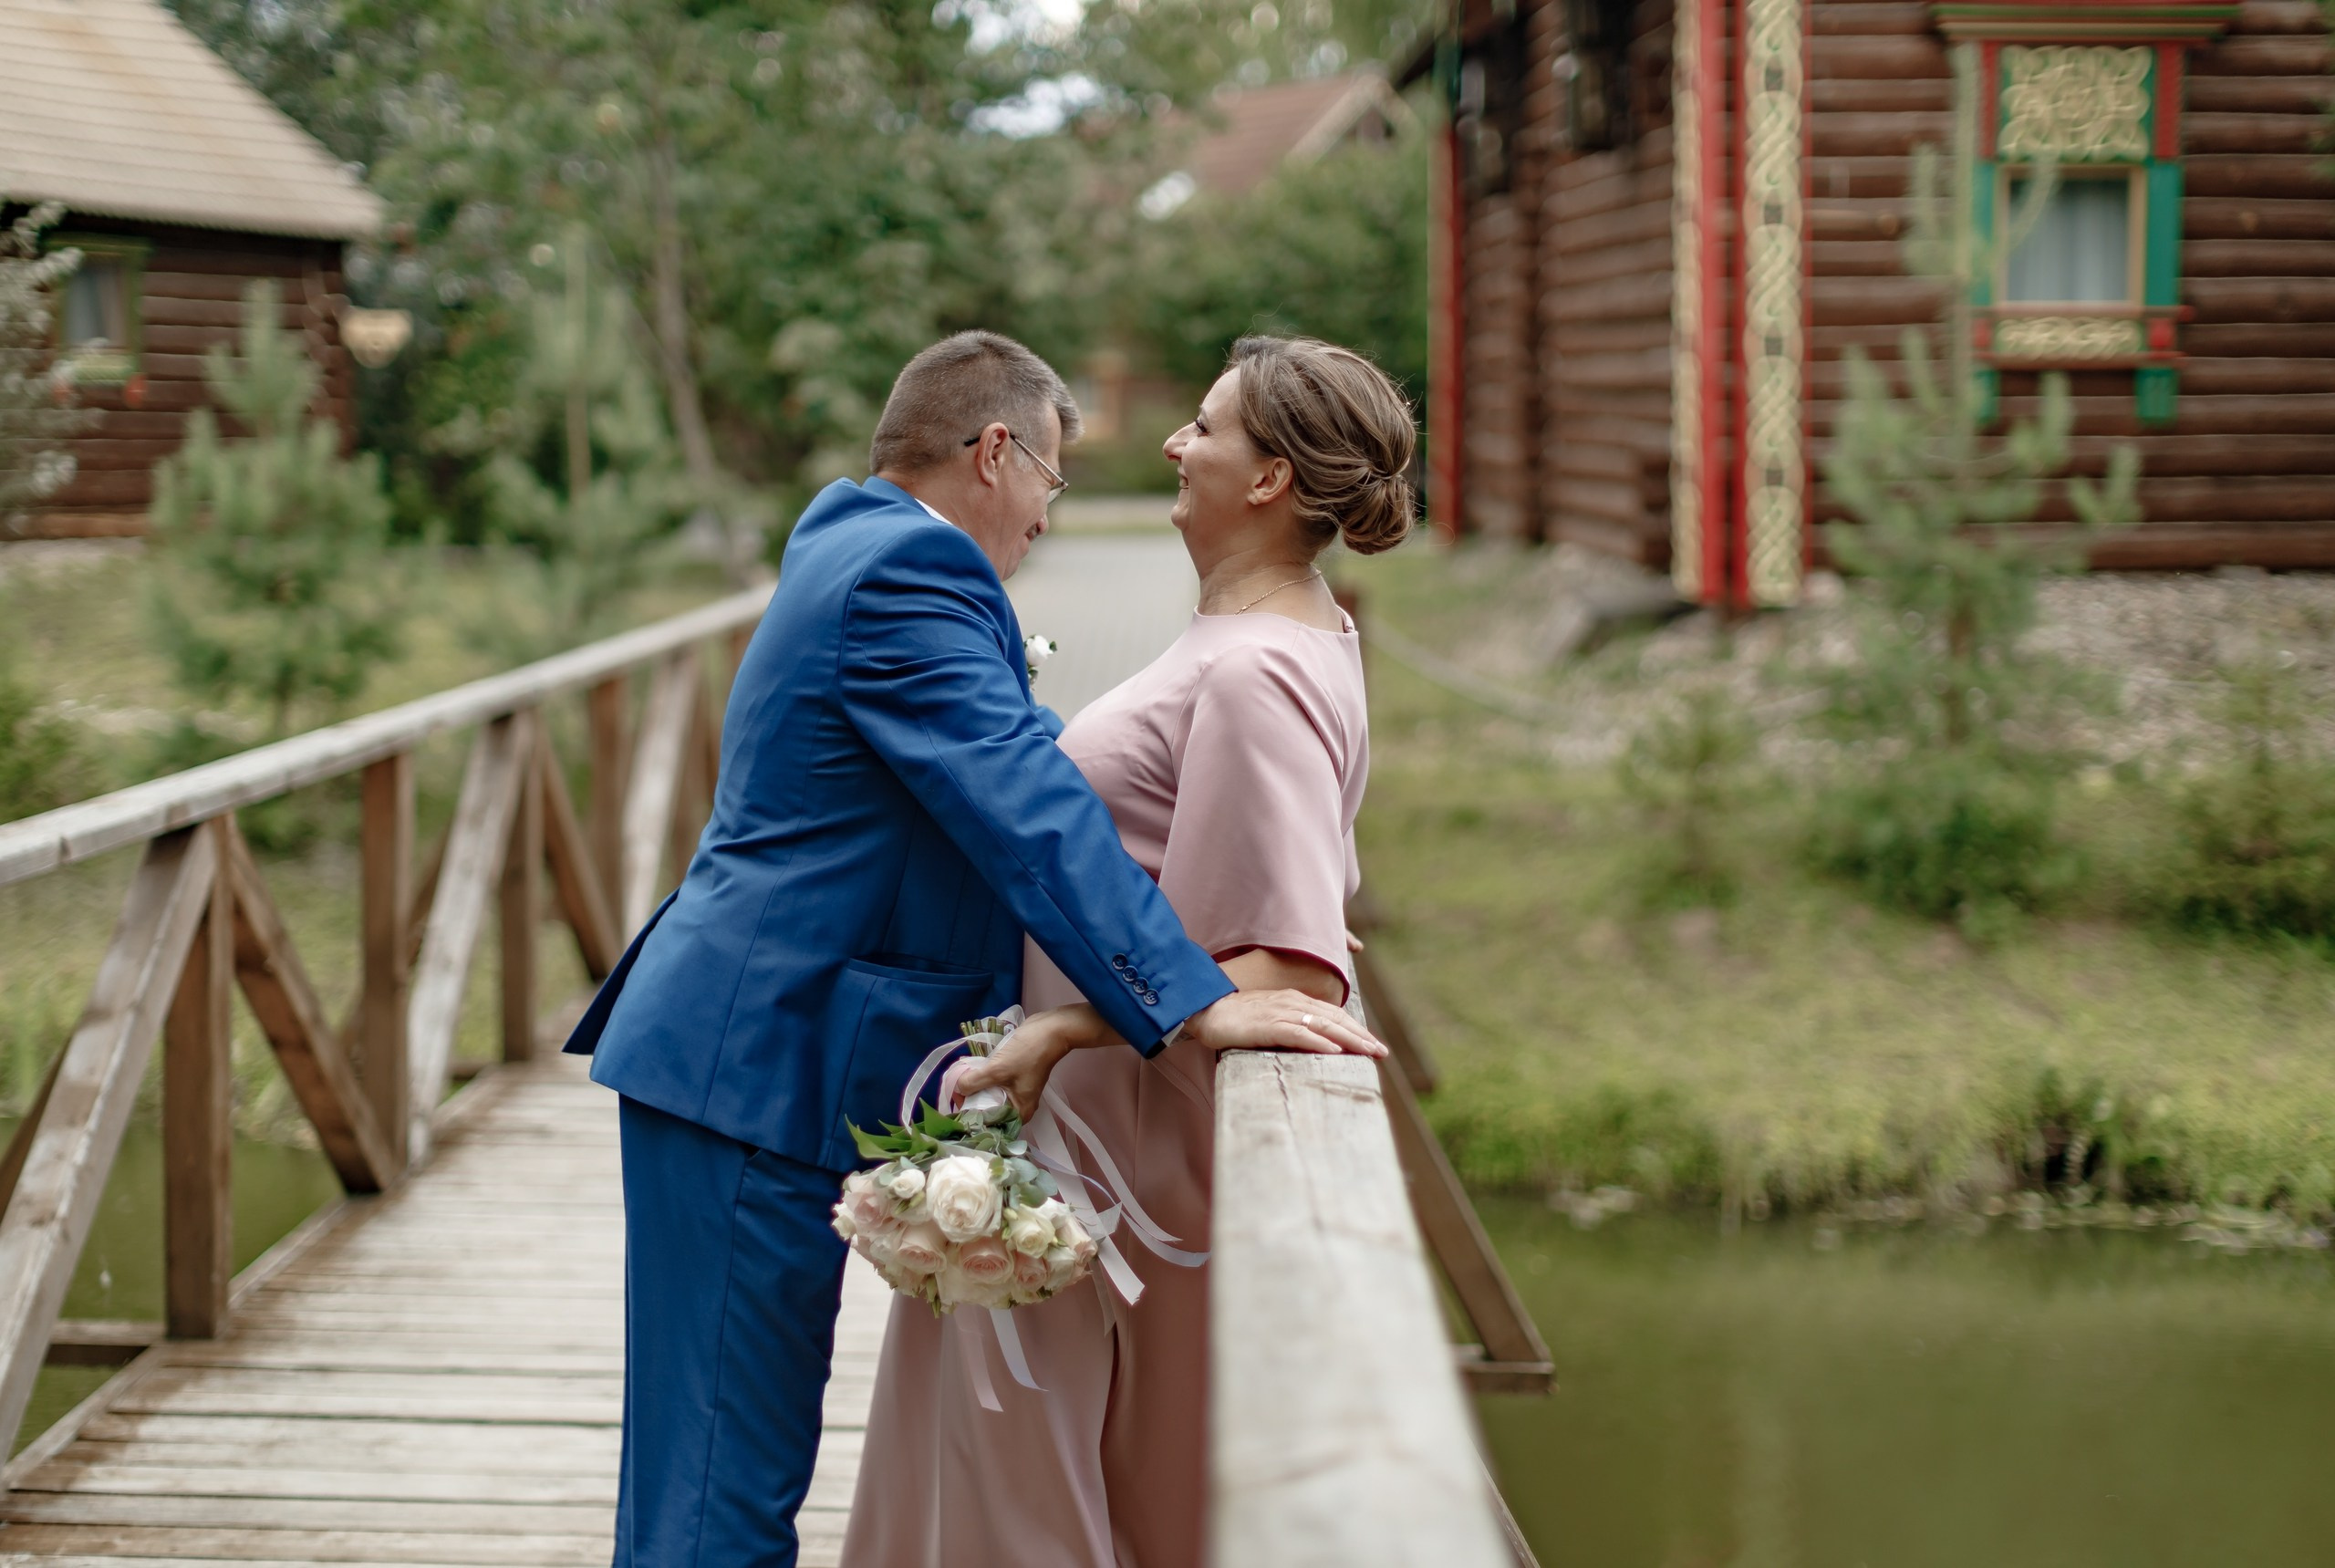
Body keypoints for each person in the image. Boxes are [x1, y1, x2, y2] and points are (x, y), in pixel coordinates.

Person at [562, 330, 1385, 1568]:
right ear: (994, 453)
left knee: (717, 1475)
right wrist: (1189, 1001)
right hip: (757, 1058)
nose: (1050, 519)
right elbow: (1023, 804)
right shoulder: (911, 574)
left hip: (767, 1053)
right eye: (1051, 481)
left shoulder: (852, 538)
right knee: (718, 1493)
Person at [842, 335, 1417, 1568]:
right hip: (1093, 1129)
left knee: (1042, 1484)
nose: (1175, 443)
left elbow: (1281, 971)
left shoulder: (1260, 671)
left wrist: (1062, 1026)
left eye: (1205, 427)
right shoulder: (1279, 632)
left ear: (1267, 481)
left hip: (1116, 1157)